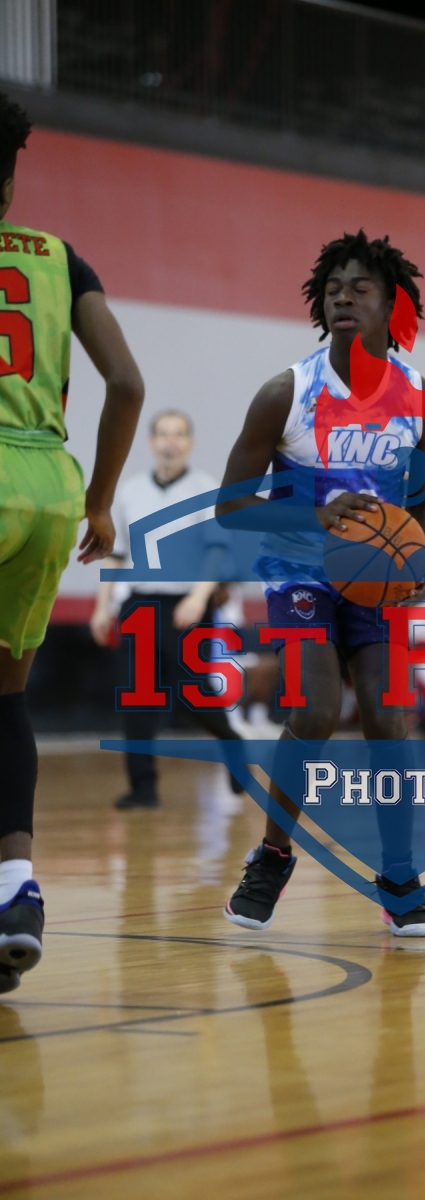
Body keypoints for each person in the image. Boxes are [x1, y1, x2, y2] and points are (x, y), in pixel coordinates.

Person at [216, 231, 425, 937]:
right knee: (317, 709)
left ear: (392, 304)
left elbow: (422, 498)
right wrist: (312, 514)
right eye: (333, 290)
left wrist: (420, 559)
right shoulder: (287, 392)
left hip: (375, 580)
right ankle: (271, 856)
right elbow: (231, 505)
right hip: (298, 570)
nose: (343, 298)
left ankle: (399, 874)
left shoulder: (423, 399)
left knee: (387, 715)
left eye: (360, 288)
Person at [0, 94, 145, 993]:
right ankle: (15, 890)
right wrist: (97, 504)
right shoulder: (58, 258)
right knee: (6, 700)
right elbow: (125, 383)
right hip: (48, 490)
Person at [90, 409, 245, 808]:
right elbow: (116, 554)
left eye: (178, 434)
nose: (170, 442)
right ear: (151, 442)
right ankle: (143, 789)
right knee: (138, 698)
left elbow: (217, 549)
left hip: (187, 604)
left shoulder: (205, 489)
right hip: (140, 604)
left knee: (193, 694)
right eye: (163, 434)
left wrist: (198, 597)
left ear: (189, 443)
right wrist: (102, 607)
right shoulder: (130, 491)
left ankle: (233, 745)